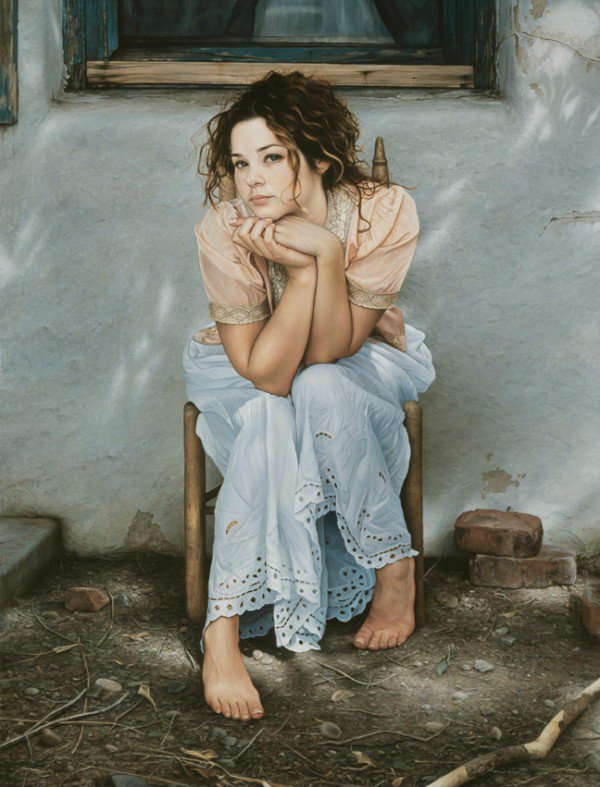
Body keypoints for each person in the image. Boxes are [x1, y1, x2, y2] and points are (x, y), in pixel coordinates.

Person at [183, 70, 435, 723]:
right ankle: (221, 635)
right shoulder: (225, 228)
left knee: (319, 383)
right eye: (241, 162)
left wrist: (325, 252)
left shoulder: (382, 212)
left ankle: (394, 570)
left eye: (272, 157)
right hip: (247, 370)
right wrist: (303, 272)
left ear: (321, 158)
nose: (252, 180)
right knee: (273, 409)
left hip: (356, 363)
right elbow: (265, 373)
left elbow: (333, 350)